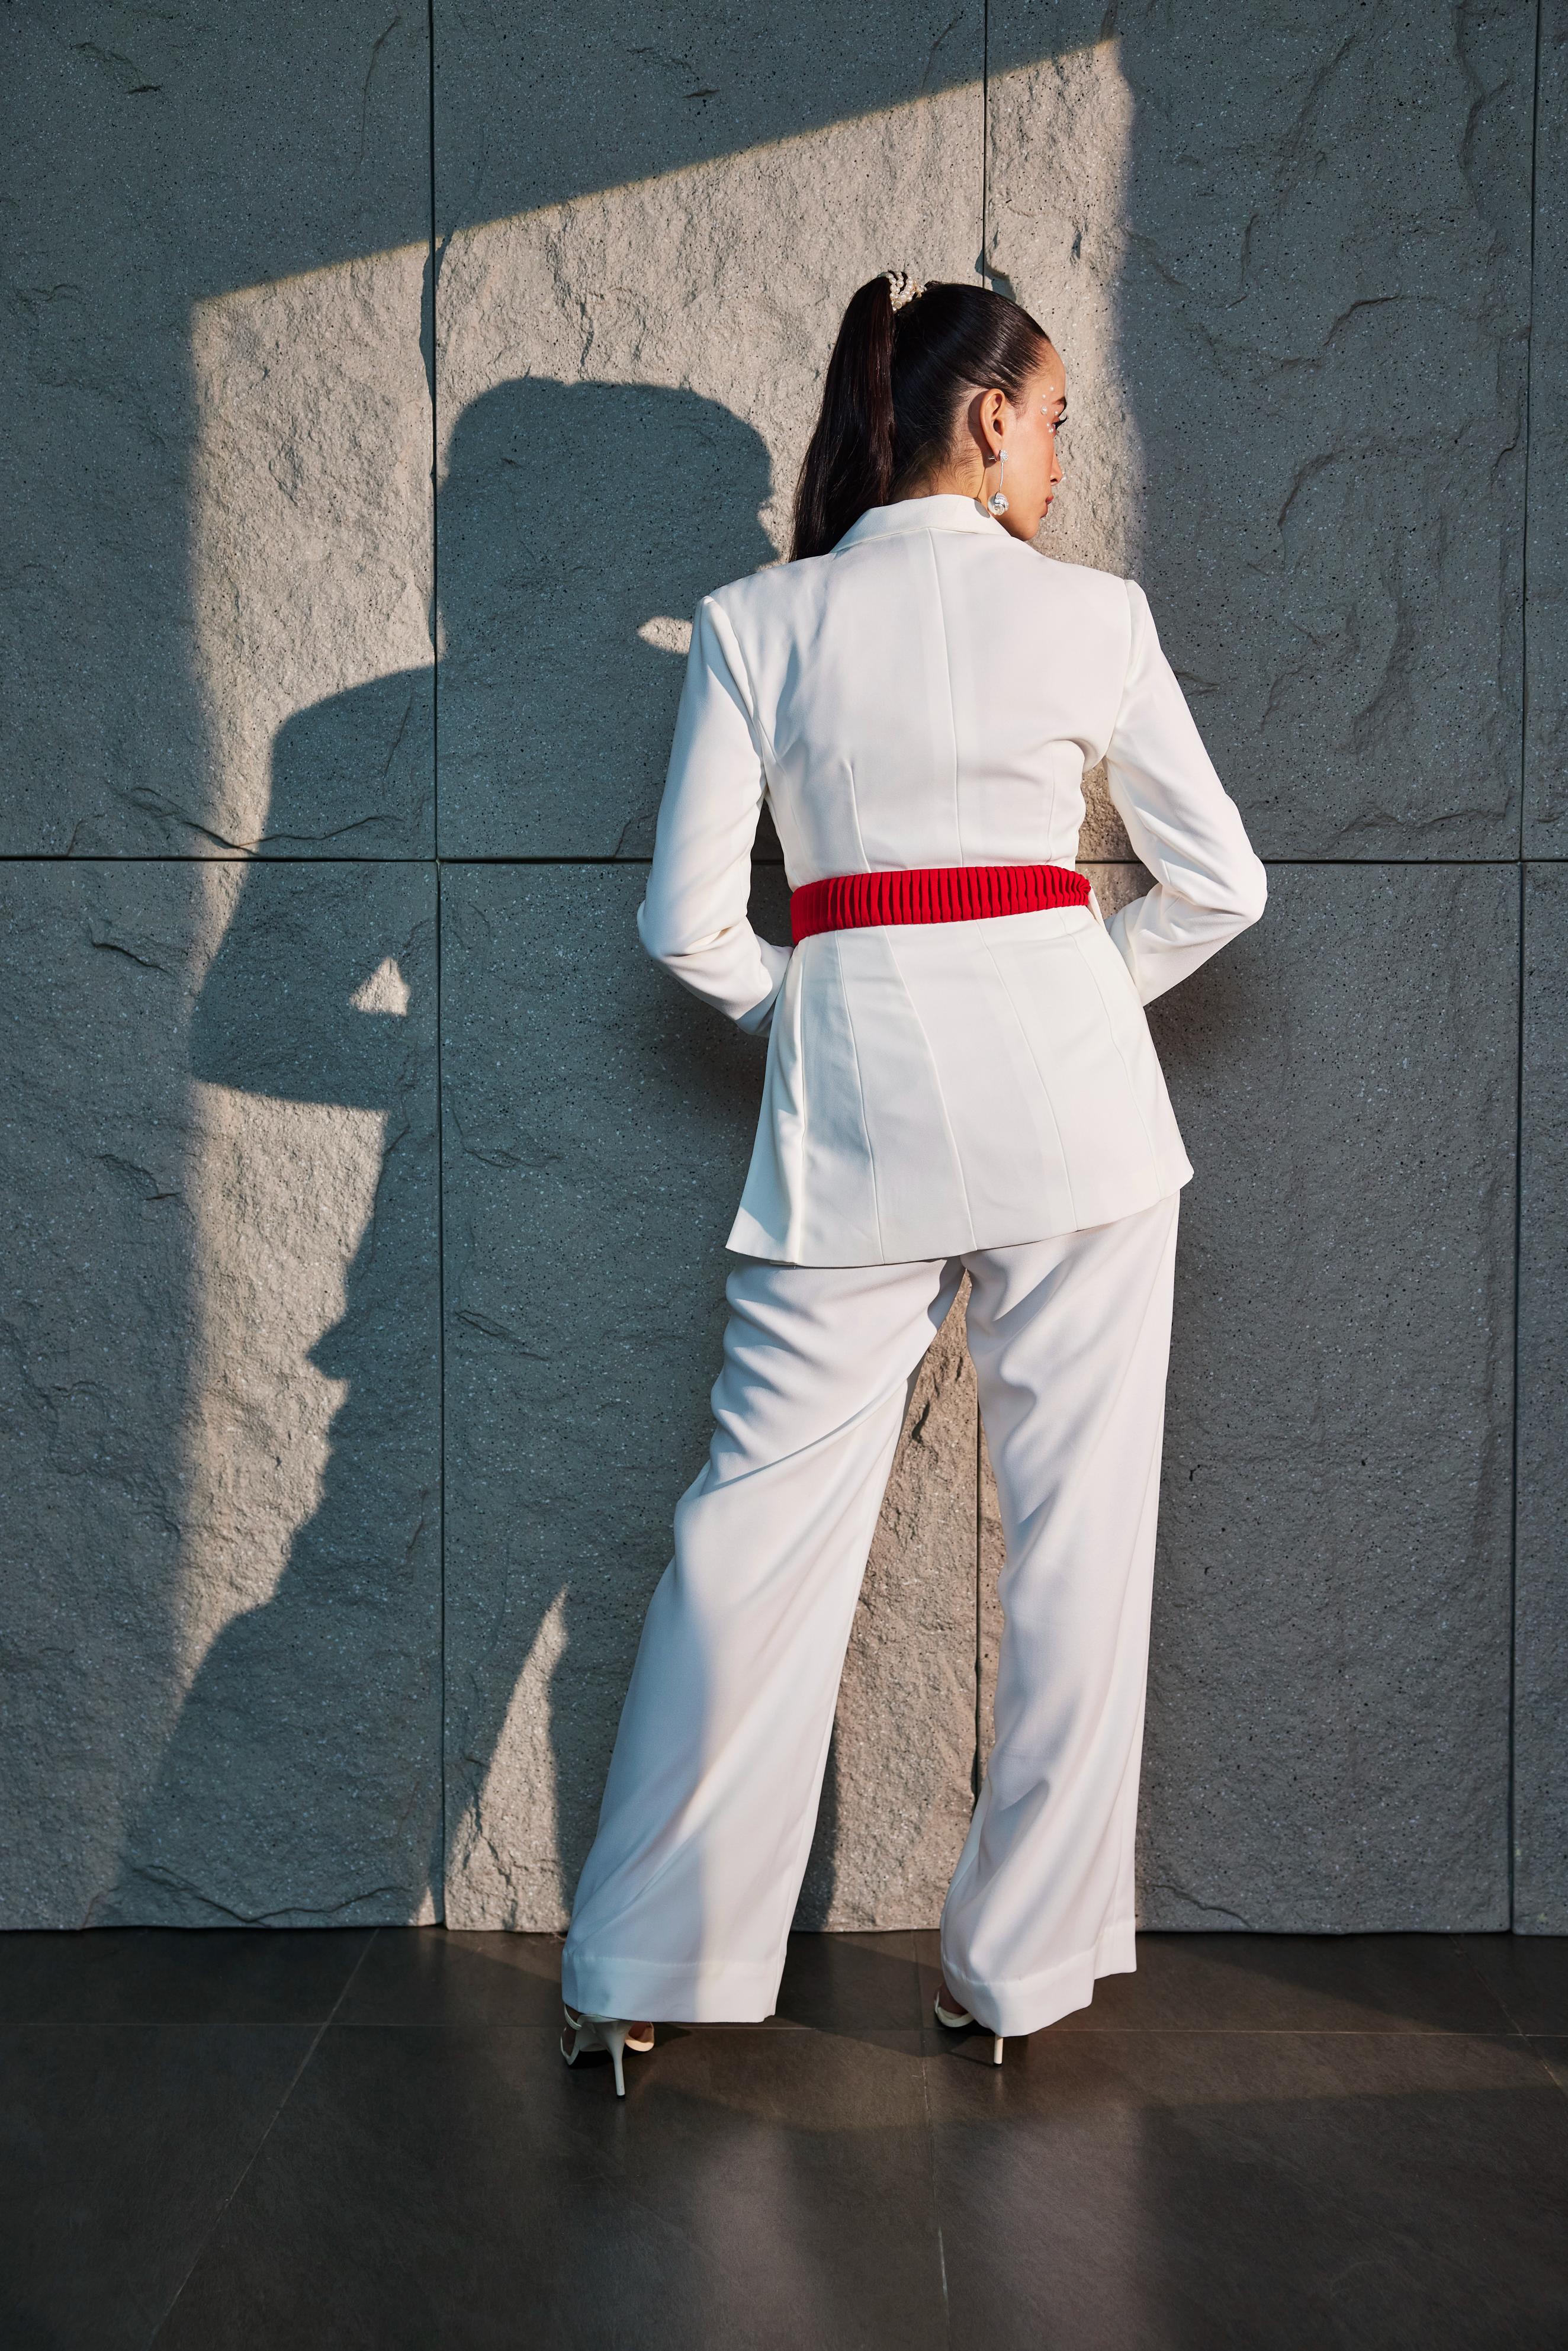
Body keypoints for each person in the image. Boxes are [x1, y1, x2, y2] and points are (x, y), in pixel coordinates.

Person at [559, 269, 1267, 2095]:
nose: (1056, 454)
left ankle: (640, 1961)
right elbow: (1219, 886)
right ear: (983, 419)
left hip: (854, 1103)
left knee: (752, 1530)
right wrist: (1062, 986)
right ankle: (1015, 1975)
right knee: (1080, 1550)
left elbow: (683, 923)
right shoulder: (1095, 615)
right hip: (1081, 1116)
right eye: (1046, 419)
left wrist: (824, 1004)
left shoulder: (754, 620)